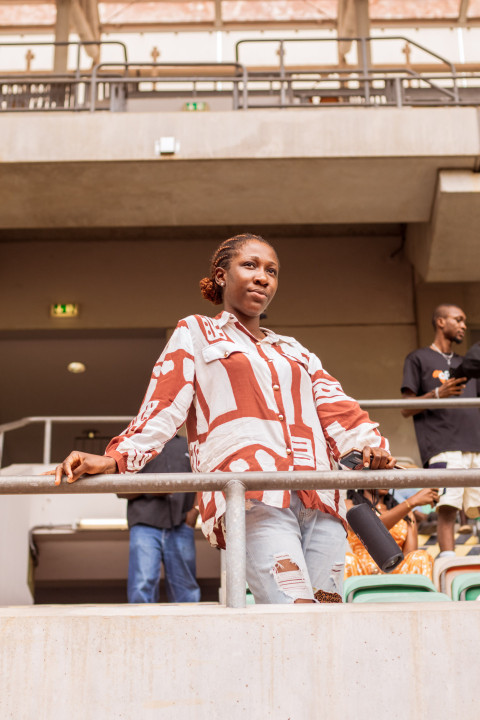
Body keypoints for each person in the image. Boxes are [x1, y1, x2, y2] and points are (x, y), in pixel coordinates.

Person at [48, 232, 395, 604]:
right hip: (253, 498)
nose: (263, 277)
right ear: (220, 276)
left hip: (322, 500)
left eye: (272, 271)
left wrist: (372, 449)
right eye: (250, 265)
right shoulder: (196, 333)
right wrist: (113, 457)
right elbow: (163, 405)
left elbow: (340, 408)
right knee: (292, 611)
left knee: (326, 620)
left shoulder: (295, 351)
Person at [401, 303, 480, 558]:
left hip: (475, 445)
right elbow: (405, 408)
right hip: (443, 446)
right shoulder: (418, 358)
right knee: (447, 509)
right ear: (440, 322)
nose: (464, 326)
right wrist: (437, 394)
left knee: (476, 509)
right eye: (458, 319)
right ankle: (450, 572)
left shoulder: (467, 363)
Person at [118, 434, 201, 604]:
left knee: (186, 587)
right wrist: (151, 488)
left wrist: (194, 512)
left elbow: (203, 478)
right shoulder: (134, 444)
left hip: (182, 523)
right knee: (142, 584)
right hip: (144, 523)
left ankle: (189, 630)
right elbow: (120, 489)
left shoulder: (189, 444)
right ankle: (141, 630)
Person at [344, 487, 439, 579]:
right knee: (347, 559)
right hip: (361, 572)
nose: (385, 481)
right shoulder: (349, 505)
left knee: (420, 557)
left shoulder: (407, 513)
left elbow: (410, 553)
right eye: (380, 474)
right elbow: (372, 530)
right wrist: (411, 502)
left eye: (388, 476)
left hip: (395, 571)